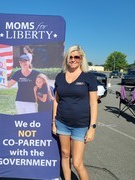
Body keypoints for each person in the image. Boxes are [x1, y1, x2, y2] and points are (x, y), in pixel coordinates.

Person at [52, 45, 98, 180]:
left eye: (76, 57)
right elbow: (56, 100)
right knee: (65, 154)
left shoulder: (89, 78)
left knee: (77, 163)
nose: (73, 60)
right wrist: (54, 122)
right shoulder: (60, 77)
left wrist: (92, 128)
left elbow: (93, 103)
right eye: (70, 57)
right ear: (67, 59)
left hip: (81, 125)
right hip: (62, 123)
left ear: (81, 58)